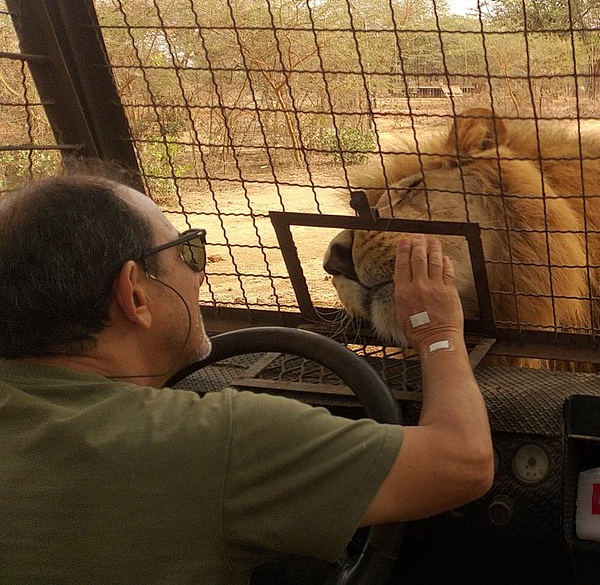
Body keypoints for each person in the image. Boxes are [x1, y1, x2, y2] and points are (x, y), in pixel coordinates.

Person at [0, 168, 493, 582]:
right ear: (135, 295)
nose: (200, 274)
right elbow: (462, 462)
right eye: (187, 253)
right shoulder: (216, 441)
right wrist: (438, 331)